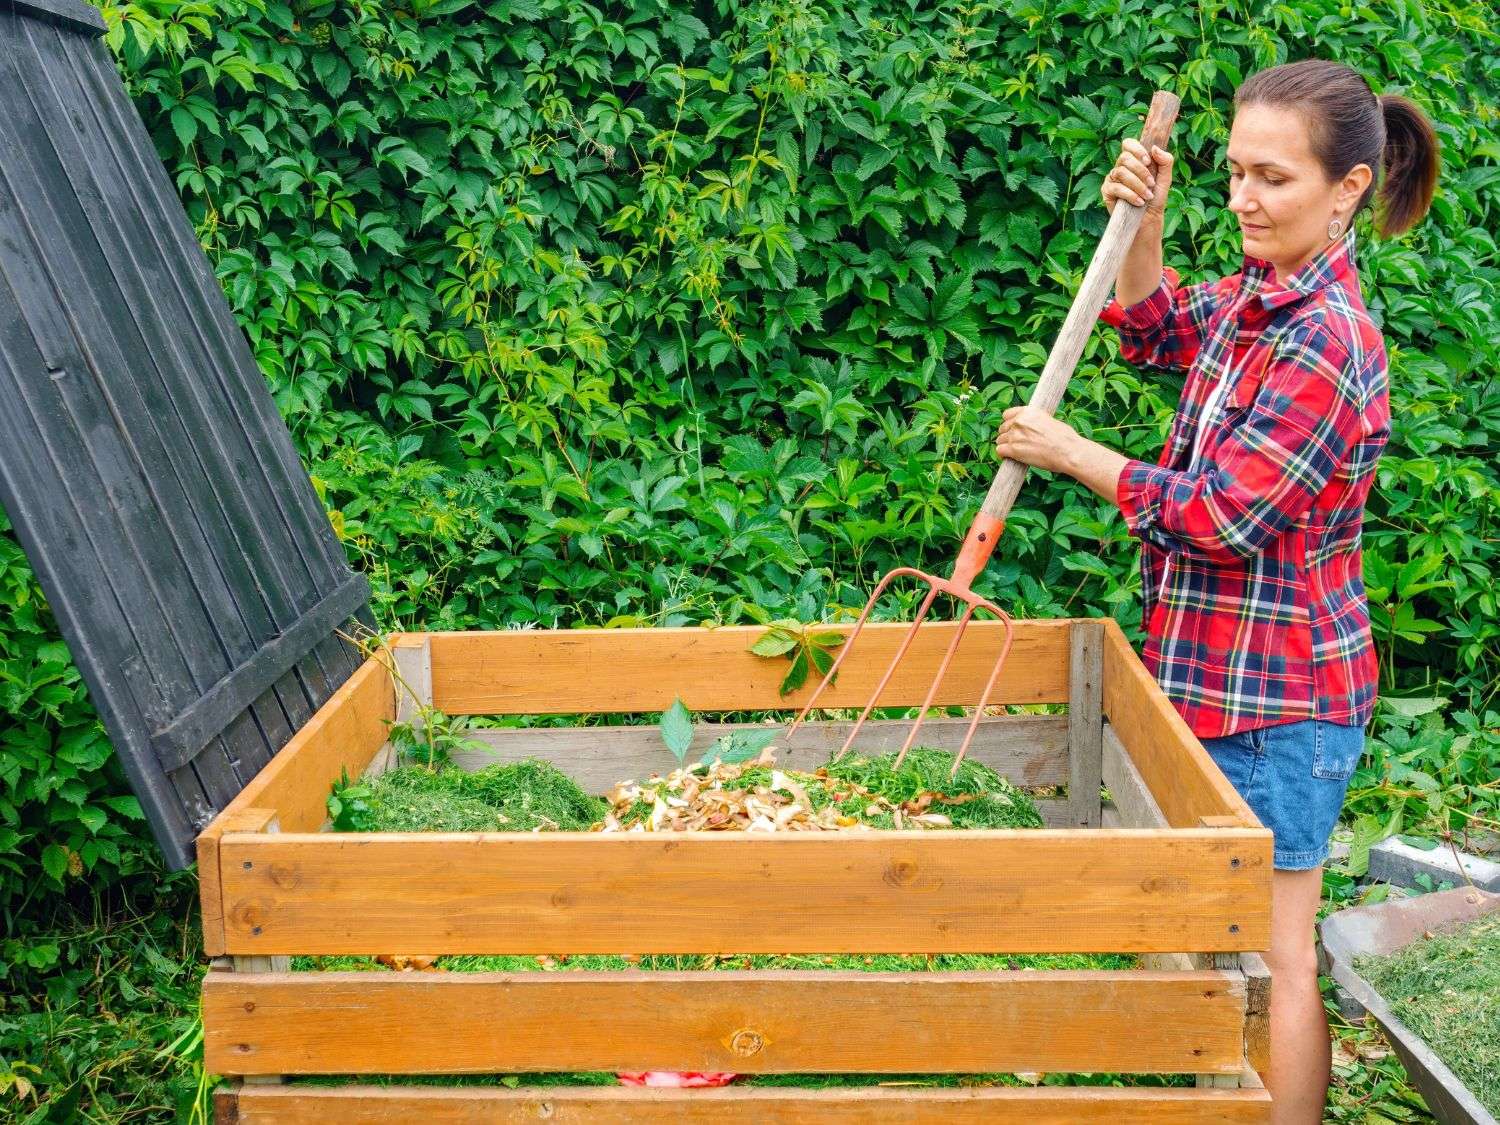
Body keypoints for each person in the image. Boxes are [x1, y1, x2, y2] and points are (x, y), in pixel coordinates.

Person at [993, 60, 1439, 1123]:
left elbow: (1221, 518)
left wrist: (1076, 455)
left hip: (1283, 705)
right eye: (1235, 173)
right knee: (1209, 938)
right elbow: (1150, 327)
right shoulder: (1255, 299)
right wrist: (1140, 223)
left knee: (1278, 955)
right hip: (1209, 679)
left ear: (1346, 192)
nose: (1243, 198)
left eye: (1273, 179)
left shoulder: (1328, 342)